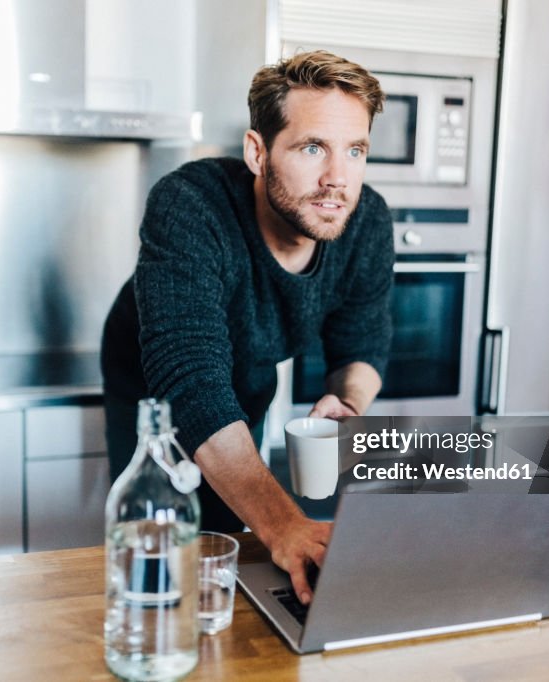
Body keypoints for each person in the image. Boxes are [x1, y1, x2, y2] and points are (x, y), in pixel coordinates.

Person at [101, 50, 393, 605]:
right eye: (313, 148)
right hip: (151, 378)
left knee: (232, 532)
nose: (338, 179)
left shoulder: (369, 220)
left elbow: (363, 341)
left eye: (354, 151)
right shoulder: (189, 204)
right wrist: (287, 526)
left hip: (252, 366)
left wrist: (347, 401)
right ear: (258, 152)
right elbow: (191, 384)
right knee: (156, 529)